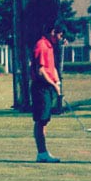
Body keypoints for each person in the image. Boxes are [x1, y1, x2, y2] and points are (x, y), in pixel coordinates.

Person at [31, 20, 65, 163]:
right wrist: (54, 85)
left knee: (45, 120)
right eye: (60, 35)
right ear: (53, 32)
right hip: (41, 87)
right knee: (41, 121)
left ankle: (43, 152)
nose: (61, 38)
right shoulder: (41, 45)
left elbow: (53, 68)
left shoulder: (50, 46)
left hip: (48, 87)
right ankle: (42, 153)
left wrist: (57, 82)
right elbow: (40, 71)